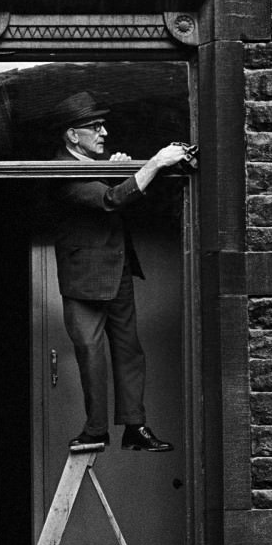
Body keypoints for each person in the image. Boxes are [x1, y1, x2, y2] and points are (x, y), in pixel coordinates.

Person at [49, 91, 192, 453]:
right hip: (84, 279)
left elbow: (116, 193)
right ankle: (95, 429)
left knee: (130, 351)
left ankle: (135, 427)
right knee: (91, 354)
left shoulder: (87, 162)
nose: (104, 133)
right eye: (94, 126)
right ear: (72, 135)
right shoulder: (60, 168)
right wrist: (156, 163)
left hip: (119, 270)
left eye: (102, 125)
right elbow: (111, 200)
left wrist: (122, 171)